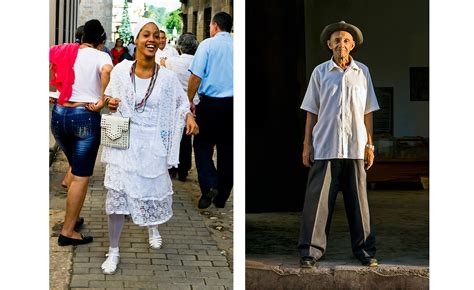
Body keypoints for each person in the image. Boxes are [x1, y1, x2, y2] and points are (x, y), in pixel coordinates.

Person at [99, 18, 199, 275]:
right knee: (117, 199)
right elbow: (108, 94)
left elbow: (181, 103)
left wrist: (188, 117)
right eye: (146, 34)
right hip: (124, 144)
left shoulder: (166, 78)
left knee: (148, 191)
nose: (152, 39)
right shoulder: (121, 71)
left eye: (156, 35)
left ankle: (152, 227)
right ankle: (114, 250)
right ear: (136, 39)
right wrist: (110, 102)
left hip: (153, 146)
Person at [297, 21, 380, 268]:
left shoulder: (362, 72)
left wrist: (370, 145)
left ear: (352, 45)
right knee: (318, 202)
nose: (341, 44)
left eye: (345, 40)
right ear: (328, 45)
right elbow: (311, 110)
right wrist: (306, 145)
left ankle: (364, 250)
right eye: (336, 40)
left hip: (355, 147)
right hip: (325, 146)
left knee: (359, 202)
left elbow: (368, 111)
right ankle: (311, 251)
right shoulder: (320, 72)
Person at [50, 19, 113, 246]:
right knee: (80, 176)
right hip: (84, 117)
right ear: (100, 40)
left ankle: (73, 217)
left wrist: (51, 89)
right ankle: (68, 231)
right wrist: (101, 98)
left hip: (59, 115)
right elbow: (107, 70)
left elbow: (49, 62)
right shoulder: (101, 55)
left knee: (75, 169)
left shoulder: (64, 50)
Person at [187, 12, 233, 209]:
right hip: (233, 105)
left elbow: (196, 76)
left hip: (210, 104)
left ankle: (210, 185)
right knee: (228, 150)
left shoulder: (207, 44)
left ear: (214, 26)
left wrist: (188, 99)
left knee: (202, 146)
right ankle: (222, 196)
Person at [162, 33, 199, 181]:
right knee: (187, 139)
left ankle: (173, 167)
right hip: (195, 104)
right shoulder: (199, 62)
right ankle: (184, 168)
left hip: (175, 104)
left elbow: (162, 63)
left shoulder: (172, 62)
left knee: (175, 136)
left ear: (179, 47)